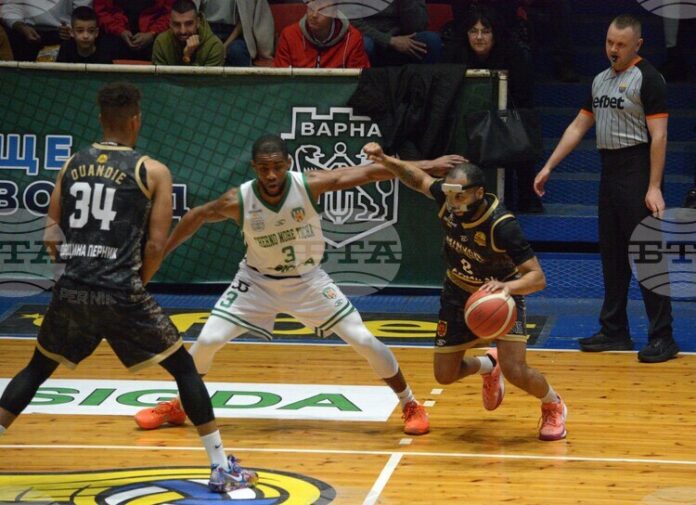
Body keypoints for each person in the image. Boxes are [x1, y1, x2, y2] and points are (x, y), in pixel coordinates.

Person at [0, 82, 257, 493]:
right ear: (136, 120)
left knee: (37, 368)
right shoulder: (153, 171)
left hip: (72, 289)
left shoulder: (71, 165)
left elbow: (51, 235)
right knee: (184, 369)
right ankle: (219, 467)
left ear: (101, 118)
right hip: (121, 290)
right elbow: (155, 245)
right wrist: (138, 283)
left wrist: (73, 273)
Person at [134, 135, 465, 435]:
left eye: (278, 167)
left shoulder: (308, 185)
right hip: (255, 282)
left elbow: (369, 172)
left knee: (363, 339)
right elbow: (196, 215)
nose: (271, 175)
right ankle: (181, 405)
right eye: (264, 168)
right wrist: (162, 251)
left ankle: (409, 403)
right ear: (254, 168)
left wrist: (428, 165)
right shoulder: (239, 199)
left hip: (308, 282)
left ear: (289, 164)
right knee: (207, 340)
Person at [363, 142, 567, 441]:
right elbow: (416, 178)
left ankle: (553, 404)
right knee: (444, 375)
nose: (453, 202)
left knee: (516, 371)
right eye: (449, 194)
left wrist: (507, 287)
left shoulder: (502, 225)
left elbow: (537, 278)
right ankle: (488, 365)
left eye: (460, 196)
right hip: (457, 292)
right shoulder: (447, 199)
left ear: (479, 193)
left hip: (501, 297)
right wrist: (385, 159)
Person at [534, 14, 677, 363]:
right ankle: (614, 330)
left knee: (646, 254)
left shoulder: (649, 78)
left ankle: (663, 336)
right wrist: (549, 166)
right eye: (610, 42)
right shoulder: (600, 80)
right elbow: (578, 125)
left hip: (637, 167)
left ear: (637, 45)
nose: (613, 49)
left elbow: (659, 136)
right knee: (612, 254)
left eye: (621, 44)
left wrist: (654, 186)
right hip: (609, 170)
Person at [442, 5, 543, 213]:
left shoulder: (514, 54)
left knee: (521, 128)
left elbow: (523, 97)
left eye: (485, 31)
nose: (479, 37)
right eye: (473, 31)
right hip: (467, 120)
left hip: (507, 117)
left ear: (495, 33)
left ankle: (526, 197)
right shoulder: (454, 54)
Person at [273, 0, 370, 69]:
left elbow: (360, 83)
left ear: (334, 13)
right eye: (311, 8)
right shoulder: (289, 35)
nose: (314, 15)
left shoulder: (352, 38)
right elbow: (280, 81)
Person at [351, 0, 442, 66]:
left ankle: (421, 85)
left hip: (402, 38)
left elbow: (418, 27)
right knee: (364, 44)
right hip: (371, 38)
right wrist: (389, 40)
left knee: (431, 40)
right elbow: (353, 23)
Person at [1, 0, 84, 61]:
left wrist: (71, 28)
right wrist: (20, 26)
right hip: (25, 32)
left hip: (64, 34)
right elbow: (10, 8)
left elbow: (83, 11)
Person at [197, 0, 273, 66]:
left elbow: (244, 20)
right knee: (203, 51)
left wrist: (224, 47)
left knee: (237, 51)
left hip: (234, 34)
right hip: (207, 31)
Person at [94, 0, 172, 61]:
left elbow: (170, 13)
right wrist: (119, 31)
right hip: (114, 35)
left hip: (155, 36)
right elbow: (101, 12)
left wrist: (152, 33)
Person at [152, 0, 223, 66]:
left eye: (189, 24)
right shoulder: (161, 42)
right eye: (177, 24)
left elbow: (208, 76)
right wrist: (186, 57)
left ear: (198, 22)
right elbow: (160, 76)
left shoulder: (214, 46)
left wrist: (187, 57)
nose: (183, 31)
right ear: (170, 24)